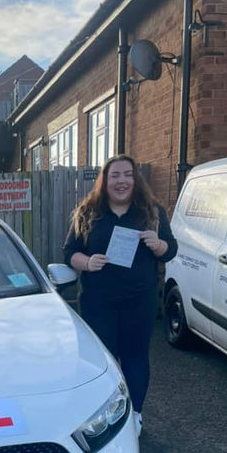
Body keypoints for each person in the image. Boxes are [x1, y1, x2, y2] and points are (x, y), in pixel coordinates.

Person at [63, 155, 177, 436]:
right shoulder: (87, 212)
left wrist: (158, 244)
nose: (121, 181)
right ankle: (102, 416)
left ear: (135, 179)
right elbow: (69, 253)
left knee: (135, 357)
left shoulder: (152, 212)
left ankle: (135, 414)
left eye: (127, 174)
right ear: (105, 180)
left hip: (139, 301)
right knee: (103, 361)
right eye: (115, 175)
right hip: (97, 301)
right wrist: (87, 263)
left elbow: (172, 249)